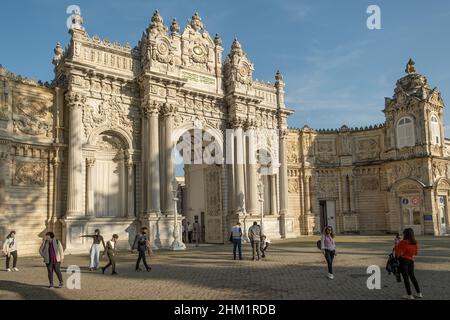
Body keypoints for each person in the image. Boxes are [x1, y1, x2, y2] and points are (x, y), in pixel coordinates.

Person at [395, 228, 423, 299]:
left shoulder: (403, 242)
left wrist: (396, 243)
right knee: (412, 277)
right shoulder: (415, 242)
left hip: (403, 261)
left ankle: (409, 295)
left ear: (405, 234)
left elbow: (398, 253)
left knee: (406, 278)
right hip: (411, 260)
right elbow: (415, 253)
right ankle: (419, 293)